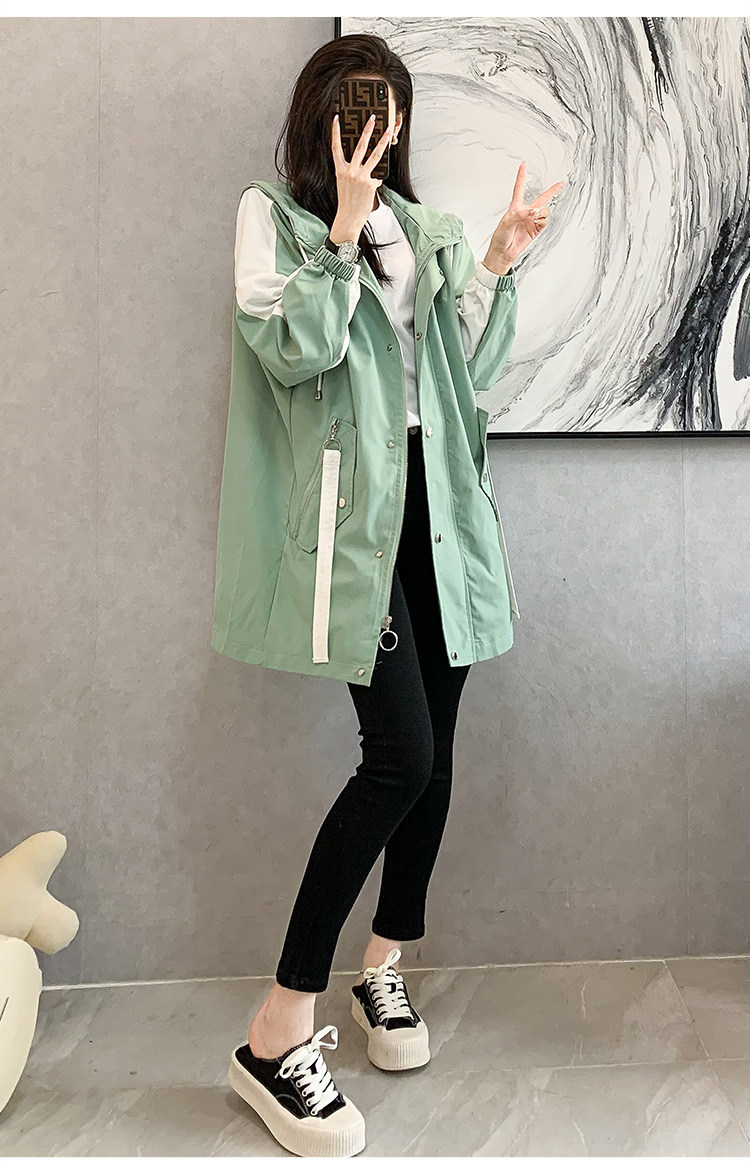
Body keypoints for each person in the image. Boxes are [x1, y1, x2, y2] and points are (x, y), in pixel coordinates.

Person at [219, 32, 562, 1158]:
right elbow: (291, 354)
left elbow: (466, 372)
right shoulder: (272, 219)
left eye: (389, 109)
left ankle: (382, 966)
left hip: (439, 505)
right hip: (353, 519)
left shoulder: (424, 230)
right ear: (318, 114)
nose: (374, 126)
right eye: (355, 105)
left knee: (438, 753)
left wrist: (497, 261)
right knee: (399, 757)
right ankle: (277, 1027)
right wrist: (338, 236)